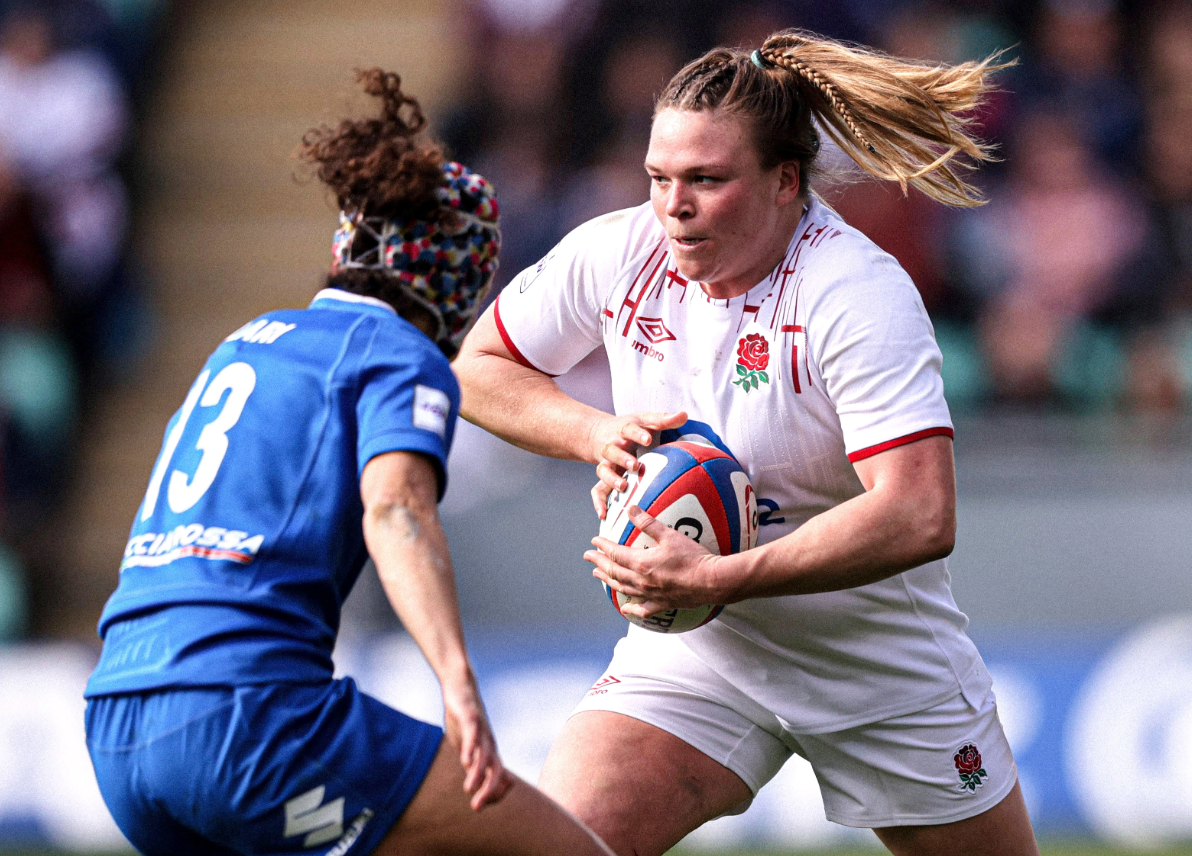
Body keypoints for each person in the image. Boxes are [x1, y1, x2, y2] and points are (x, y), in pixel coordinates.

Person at [453, 30, 1040, 856]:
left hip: (873, 661)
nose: (673, 206)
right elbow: (477, 367)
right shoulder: (621, 252)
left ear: (784, 183)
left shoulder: (855, 293)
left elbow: (918, 514)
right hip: (702, 657)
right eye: (658, 178)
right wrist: (600, 436)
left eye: (706, 181)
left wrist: (717, 575)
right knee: (557, 847)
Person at [82, 69, 613, 856]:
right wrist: (456, 681)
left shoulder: (245, 343)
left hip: (117, 722)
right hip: (250, 713)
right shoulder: (395, 353)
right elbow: (396, 509)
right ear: (459, 276)